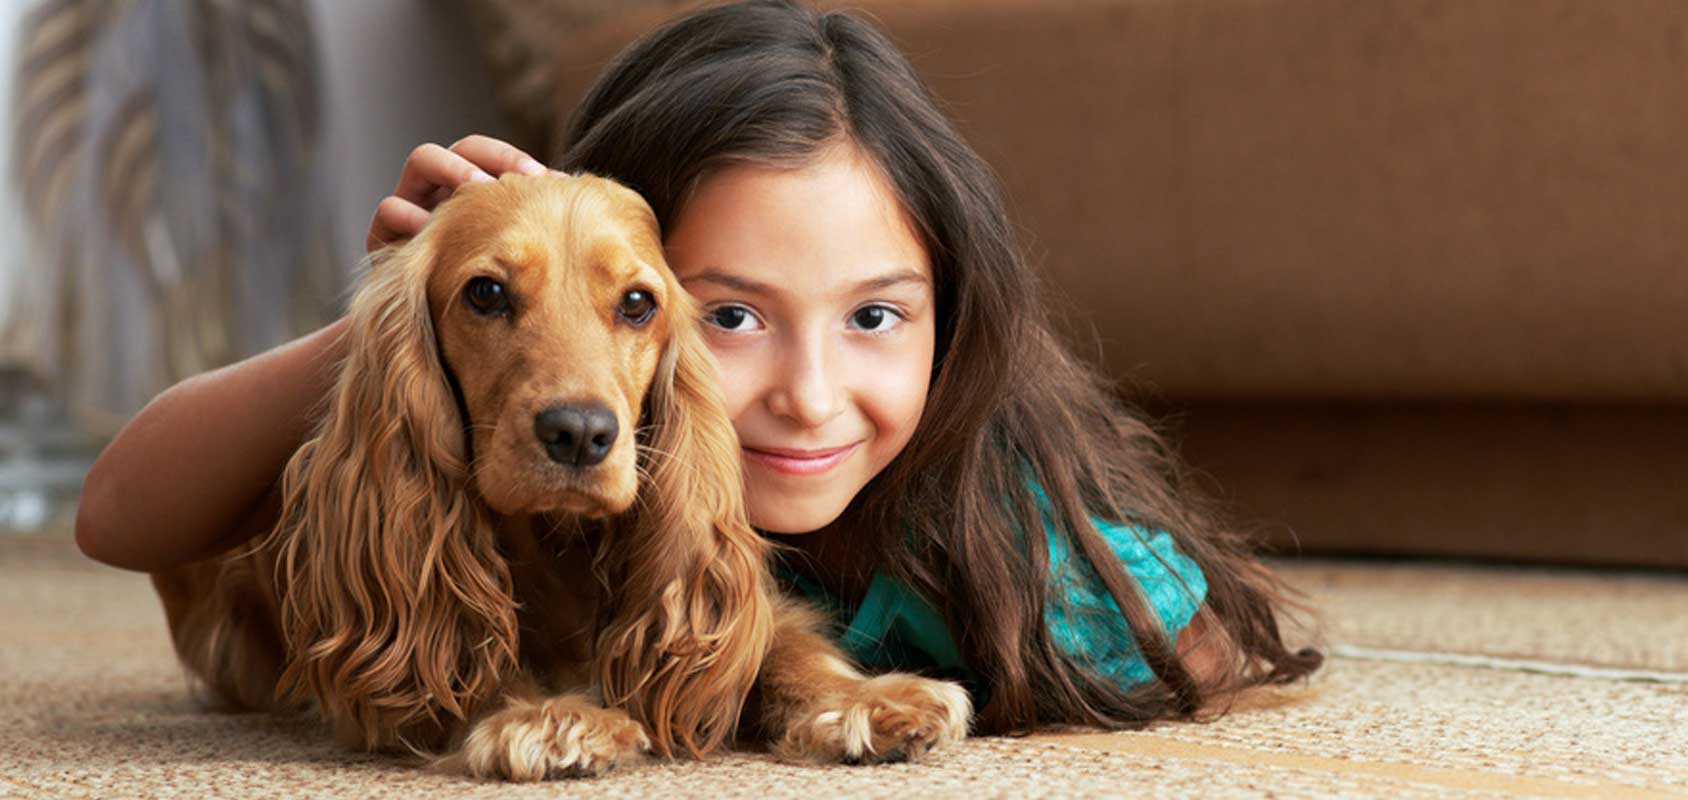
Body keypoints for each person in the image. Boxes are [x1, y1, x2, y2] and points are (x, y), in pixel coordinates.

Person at [76, 0, 1320, 735]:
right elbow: (119, 514)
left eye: (876, 317)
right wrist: (412, 303)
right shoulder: (473, 404)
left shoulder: (976, 501)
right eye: (727, 317)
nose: (809, 392)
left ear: (952, 316)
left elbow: (1192, 643)